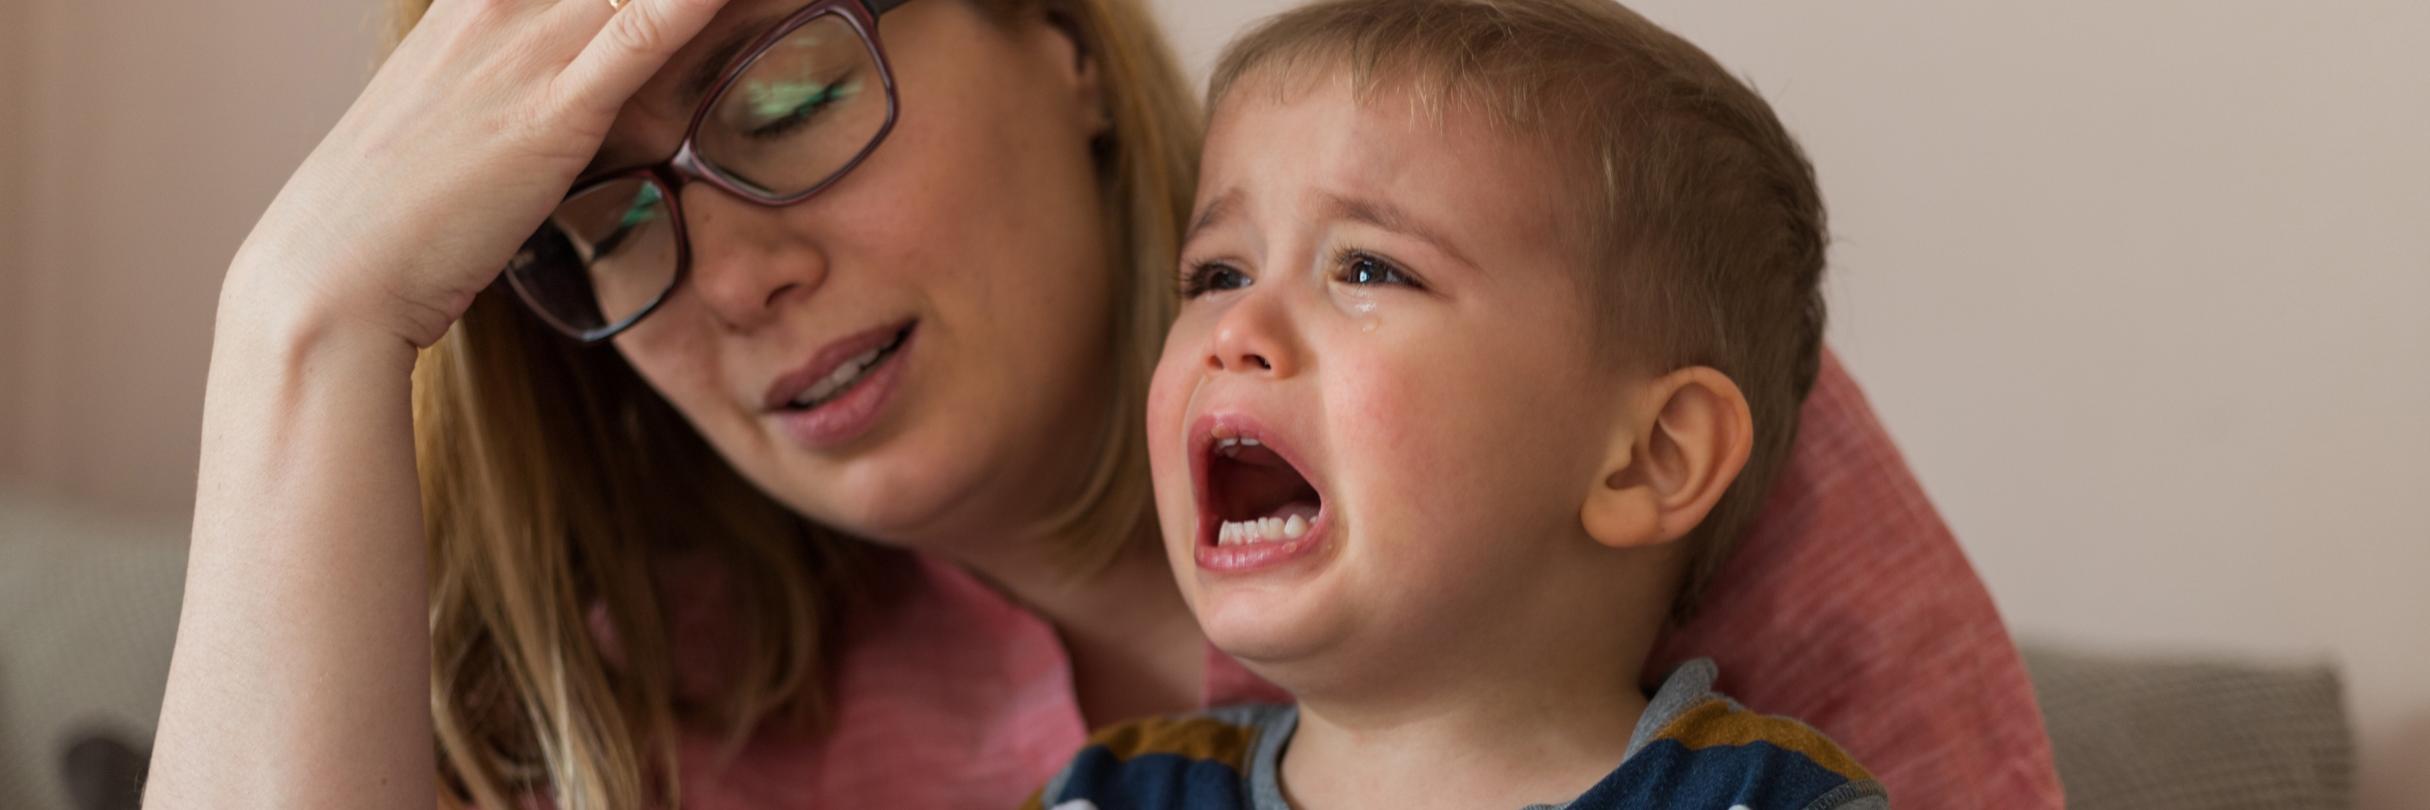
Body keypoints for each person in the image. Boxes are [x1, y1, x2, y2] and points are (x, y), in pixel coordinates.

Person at [143, 0, 2056, 807]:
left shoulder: (1605, 409)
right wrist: (298, 318)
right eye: (600, 227)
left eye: (793, 97)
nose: (731, 274)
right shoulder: (640, 685)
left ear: (1056, 41)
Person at [1029, 0, 1883, 807]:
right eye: (1219, 274)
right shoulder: (1104, 793)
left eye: (1368, 270)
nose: (1235, 328)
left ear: (1649, 458)